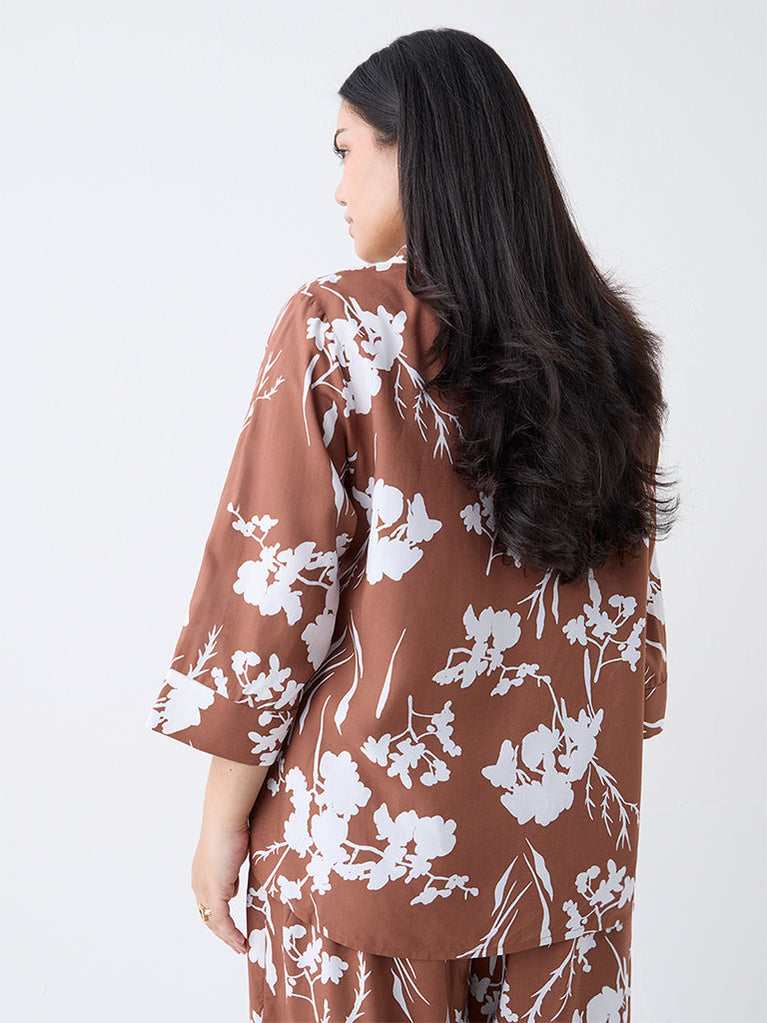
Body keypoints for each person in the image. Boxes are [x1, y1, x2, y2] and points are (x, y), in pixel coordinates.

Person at [145, 26, 678, 1023]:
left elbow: (272, 602)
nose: (337, 186)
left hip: (367, 858)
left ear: (415, 150)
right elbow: (629, 636)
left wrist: (219, 825)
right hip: (563, 871)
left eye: (348, 149)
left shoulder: (336, 327)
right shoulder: (611, 351)